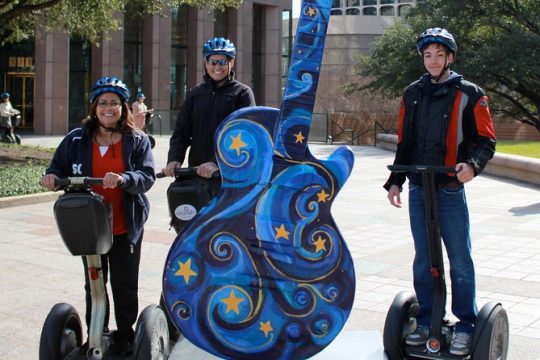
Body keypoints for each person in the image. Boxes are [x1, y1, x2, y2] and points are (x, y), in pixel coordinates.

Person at [384, 28, 496, 356]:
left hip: (448, 189)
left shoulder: (470, 94)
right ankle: (428, 317)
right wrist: (395, 181)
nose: (432, 60)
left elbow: (486, 140)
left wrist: (472, 165)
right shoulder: (412, 93)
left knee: (459, 259)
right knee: (424, 258)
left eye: (438, 54)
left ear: (450, 58)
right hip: (420, 187)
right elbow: (405, 142)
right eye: (427, 55)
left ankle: (466, 323)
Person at [40, 76, 156, 357]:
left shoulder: (136, 140)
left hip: (124, 225)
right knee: (94, 283)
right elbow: (56, 166)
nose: (108, 108)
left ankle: (126, 338)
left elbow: (147, 176)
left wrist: (125, 178)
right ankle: (98, 334)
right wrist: (52, 177)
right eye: (102, 103)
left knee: (124, 285)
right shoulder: (76, 139)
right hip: (90, 226)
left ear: (123, 107)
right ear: (94, 107)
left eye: (114, 103)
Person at [162, 37, 256, 184]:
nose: (217, 67)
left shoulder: (242, 93)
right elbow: (181, 131)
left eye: (222, 62)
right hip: (197, 173)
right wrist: (174, 159)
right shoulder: (195, 93)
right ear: (206, 63)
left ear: (232, 62)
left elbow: (245, 134)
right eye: (213, 62)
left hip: (230, 175)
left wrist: (216, 163)